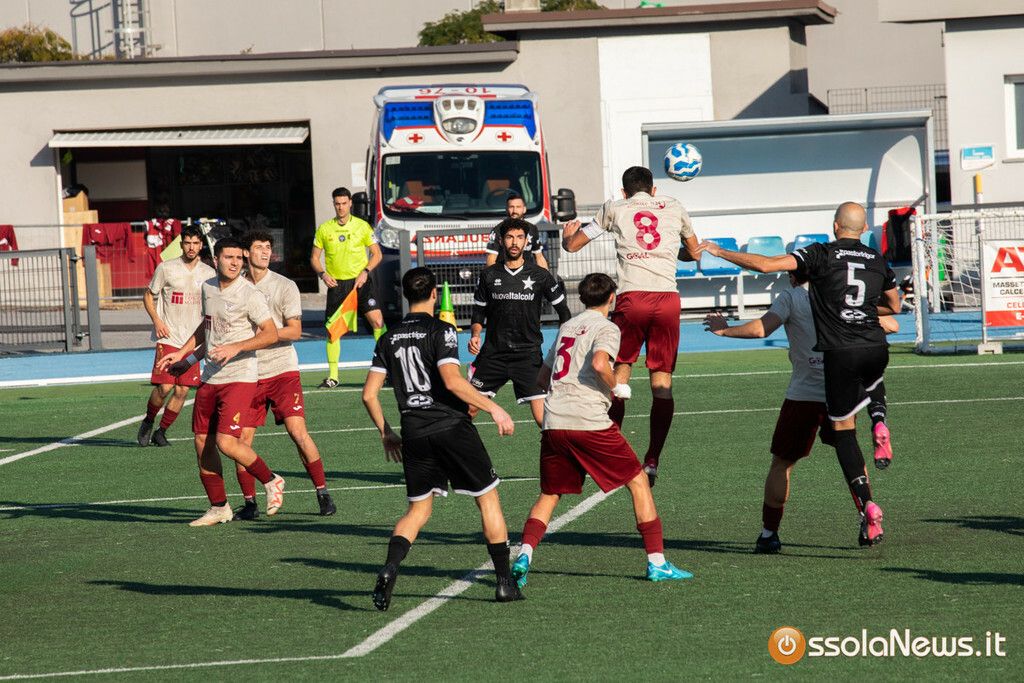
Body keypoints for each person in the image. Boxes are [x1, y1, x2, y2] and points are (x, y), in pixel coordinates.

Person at [696, 202, 900, 546]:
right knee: (850, 450)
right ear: (863, 228)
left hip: (805, 391)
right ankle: (866, 511)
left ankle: (769, 533)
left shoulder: (792, 296)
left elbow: (761, 328)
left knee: (782, 463)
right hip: (847, 381)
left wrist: (724, 329)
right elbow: (892, 321)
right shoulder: (856, 278)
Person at [512, 273, 692, 587]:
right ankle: (657, 562)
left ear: (582, 298)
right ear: (612, 298)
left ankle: (525, 553)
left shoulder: (567, 327)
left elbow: (542, 378)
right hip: (588, 421)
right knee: (638, 481)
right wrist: (616, 387)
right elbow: (599, 364)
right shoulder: (608, 328)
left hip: (554, 421)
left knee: (550, 494)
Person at [362, 267, 524, 611]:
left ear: (405, 295)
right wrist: (494, 408)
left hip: (414, 431)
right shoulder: (442, 329)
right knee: (488, 499)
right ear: (435, 294)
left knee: (418, 510)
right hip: (450, 427)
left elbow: (368, 395)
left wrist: (386, 432)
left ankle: (390, 567)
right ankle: (504, 582)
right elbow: (451, 381)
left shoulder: (387, 338)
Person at [561, 166, 701, 487]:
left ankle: (610, 455)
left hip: (632, 298)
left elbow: (574, 246)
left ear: (624, 192)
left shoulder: (615, 206)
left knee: (619, 375)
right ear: (654, 190)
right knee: (662, 382)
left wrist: (568, 236)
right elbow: (694, 253)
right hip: (667, 299)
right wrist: (667, 250)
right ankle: (652, 459)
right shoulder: (674, 205)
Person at [156, 237, 287, 527]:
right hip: (210, 376)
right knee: (202, 442)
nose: (235, 262)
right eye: (229, 257)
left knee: (226, 442)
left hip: (240, 377)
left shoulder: (250, 294)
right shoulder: (208, 287)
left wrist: (236, 347)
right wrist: (185, 357)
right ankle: (219, 507)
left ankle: (271, 480)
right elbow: (208, 328)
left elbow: (270, 334)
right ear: (216, 260)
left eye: (239, 258)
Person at [231, 231, 336, 520]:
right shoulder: (236, 287)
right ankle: (250, 503)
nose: (266, 252)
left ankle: (323, 493)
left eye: (268, 247)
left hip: (282, 370)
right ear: (246, 253)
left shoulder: (284, 285)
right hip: (248, 373)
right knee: (240, 441)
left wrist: (262, 335)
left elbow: (295, 331)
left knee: (297, 432)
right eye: (259, 247)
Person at [469, 218, 571, 427]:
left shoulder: (540, 275)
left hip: (528, 356)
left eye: (519, 237)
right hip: (493, 355)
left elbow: (564, 313)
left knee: (544, 419)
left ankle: (558, 447)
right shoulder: (488, 275)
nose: (514, 242)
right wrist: (475, 334)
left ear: (526, 241)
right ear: (501, 241)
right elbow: (478, 312)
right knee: (469, 409)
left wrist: (560, 345)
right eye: (509, 237)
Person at [138, 226, 215, 447]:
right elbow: (148, 295)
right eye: (187, 243)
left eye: (195, 243)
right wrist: (157, 320)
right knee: (164, 387)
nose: (191, 247)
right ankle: (148, 420)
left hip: (192, 341)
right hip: (169, 336)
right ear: (181, 245)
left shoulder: (209, 274)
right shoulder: (166, 268)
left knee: (182, 390)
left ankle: (161, 432)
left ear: (201, 245)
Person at [311, 187, 385, 389]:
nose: (341, 207)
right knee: (333, 332)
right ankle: (333, 377)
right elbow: (314, 258)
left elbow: (377, 254)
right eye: (337, 204)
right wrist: (323, 274)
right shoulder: (325, 229)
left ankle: (385, 368)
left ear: (351, 203)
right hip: (337, 286)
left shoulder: (362, 226)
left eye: (344, 203)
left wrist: (366, 271)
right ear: (333, 204)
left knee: (378, 321)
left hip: (361, 282)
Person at [484, 193, 549, 269]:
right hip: (504, 272)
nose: (514, 211)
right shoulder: (498, 229)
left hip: (526, 273)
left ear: (524, 209)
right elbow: (491, 259)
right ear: (506, 209)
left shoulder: (532, 229)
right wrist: (493, 275)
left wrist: (546, 275)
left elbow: (539, 257)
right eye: (511, 207)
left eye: (518, 207)